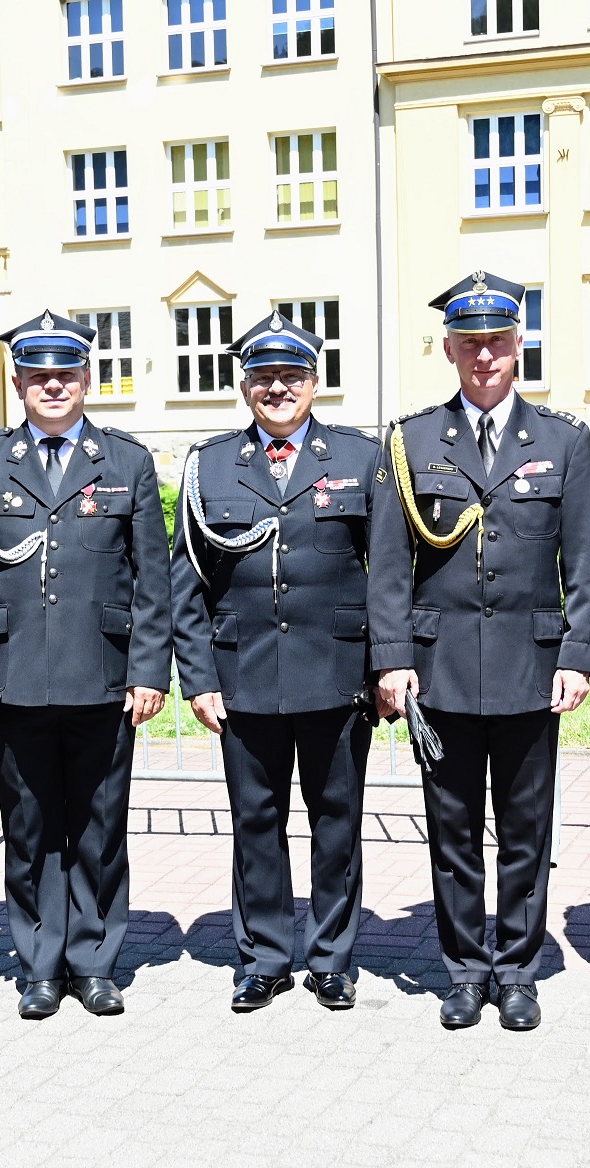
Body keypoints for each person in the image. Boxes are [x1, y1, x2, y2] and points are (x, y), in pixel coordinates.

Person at [368, 270, 590, 1032]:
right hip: (440, 672)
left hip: (531, 671)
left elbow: (585, 563)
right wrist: (393, 657)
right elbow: (389, 564)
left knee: (527, 829)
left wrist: (578, 654)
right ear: (449, 348)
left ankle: (519, 970)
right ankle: (467, 969)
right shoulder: (410, 442)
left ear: (518, 344)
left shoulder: (563, 440)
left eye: (497, 341)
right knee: (453, 830)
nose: (484, 356)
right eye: (469, 342)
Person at [0, 311, 170, 1020]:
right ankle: (40, 963)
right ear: (18, 383)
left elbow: (151, 580)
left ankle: (94, 962)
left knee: (99, 827)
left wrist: (149, 670)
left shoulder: (125, 462)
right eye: (39, 375)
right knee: (30, 827)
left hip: (103, 677)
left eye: (66, 373)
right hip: (11, 677)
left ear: (87, 378)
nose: (54, 385)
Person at [169, 313, 380, 1013]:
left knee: (335, 821)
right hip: (244, 676)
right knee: (255, 822)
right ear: (244, 385)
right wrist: (198, 677)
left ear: (316, 383)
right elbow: (185, 581)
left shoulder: (359, 457)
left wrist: (384, 667)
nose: (278, 388)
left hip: (337, 674)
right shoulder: (209, 464)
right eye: (263, 376)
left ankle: (331, 958)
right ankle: (263, 958)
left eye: (292, 375)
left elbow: (388, 574)